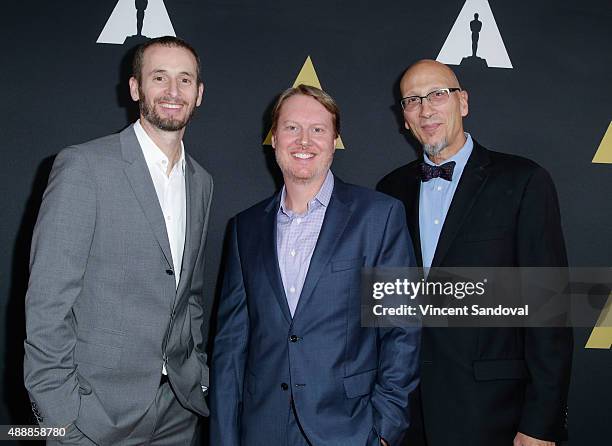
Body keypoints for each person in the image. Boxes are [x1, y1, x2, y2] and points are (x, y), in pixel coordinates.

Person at [24, 36, 213, 445]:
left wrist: (198, 375)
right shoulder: (84, 166)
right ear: (135, 88)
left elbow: (189, 296)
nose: (172, 91)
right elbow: (48, 299)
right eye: (158, 77)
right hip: (94, 414)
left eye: (185, 80)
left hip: (177, 412)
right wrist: (60, 416)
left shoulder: (201, 182)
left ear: (198, 94)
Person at [210, 85, 420, 446]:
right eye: (291, 128)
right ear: (274, 139)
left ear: (334, 140)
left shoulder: (379, 216)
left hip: (350, 430)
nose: (303, 140)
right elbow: (231, 347)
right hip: (262, 431)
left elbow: (402, 330)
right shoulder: (244, 228)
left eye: (318, 129)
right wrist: (224, 437)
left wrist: (385, 429)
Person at [378, 59, 572, 446]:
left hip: (495, 415)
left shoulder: (523, 180)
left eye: (438, 94)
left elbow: (550, 307)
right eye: (412, 101)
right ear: (404, 118)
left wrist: (540, 423)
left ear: (463, 102)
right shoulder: (389, 191)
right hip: (407, 418)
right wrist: (384, 415)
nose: (426, 109)